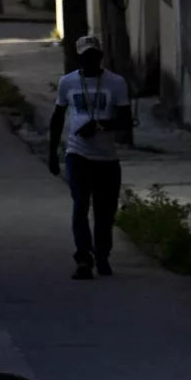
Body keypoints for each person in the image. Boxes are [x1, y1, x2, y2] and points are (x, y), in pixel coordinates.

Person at [48, 35, 133, 279]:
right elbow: (57, 117)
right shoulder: (68, 82)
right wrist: (53, 154)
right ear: (79, 58)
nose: (91, 61)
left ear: (101, 57)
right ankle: (83, 258)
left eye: (94, 56)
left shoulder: (116, 83)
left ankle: (103, 255)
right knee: (80, 206)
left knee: (105, 212)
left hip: (107, 158)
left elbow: (126, 120)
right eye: (86, 57)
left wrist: (100, 126)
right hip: (78, 154)